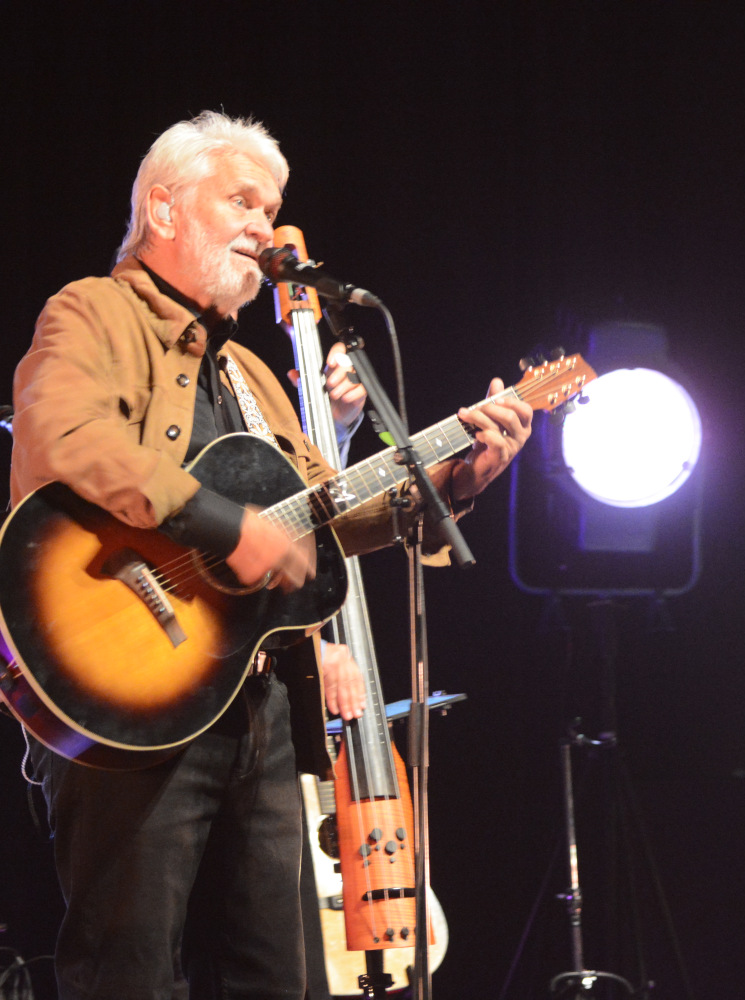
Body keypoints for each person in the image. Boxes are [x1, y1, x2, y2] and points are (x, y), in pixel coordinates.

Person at [9, 111, 532, 1000]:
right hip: (137, 688)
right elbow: (66, 438)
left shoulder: (251, 376)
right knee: (128, 971)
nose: (265, 226)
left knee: (273, 976)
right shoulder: (91, 310)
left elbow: (328, 515)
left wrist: (454, 478)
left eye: (275, 205)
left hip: (255, 705)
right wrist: (221, 524)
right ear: (165, 210)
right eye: (242, 201)